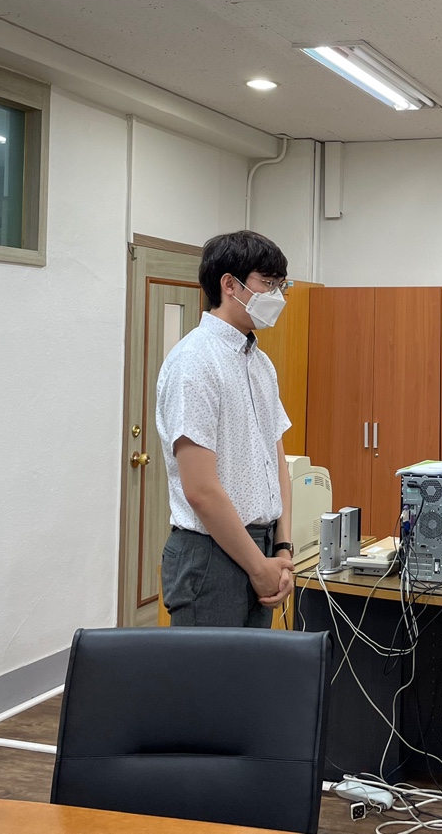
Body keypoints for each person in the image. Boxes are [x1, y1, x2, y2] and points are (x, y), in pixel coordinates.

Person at [157, 230, 296, 627]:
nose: (277, 296)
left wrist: (282, 548)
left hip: (263, 548)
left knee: (251, 668)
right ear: (229, 285)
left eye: (281, 285)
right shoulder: (195, 361)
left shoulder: (260, 364)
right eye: (268, 283)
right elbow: (200, 489)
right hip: (211, 555)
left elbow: (276, 461)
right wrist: (258, 566)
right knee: (211, 670)